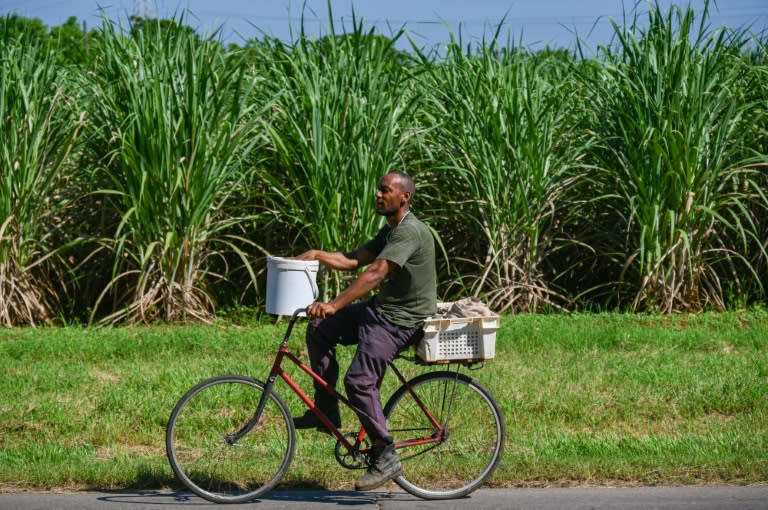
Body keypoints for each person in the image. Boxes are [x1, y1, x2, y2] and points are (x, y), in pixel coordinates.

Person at [292, 171, 437, 491]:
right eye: (378, 190)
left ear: (404, 198)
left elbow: (375, 272)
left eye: (385, 191)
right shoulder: (390, 231)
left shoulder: (409, 232)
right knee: (318, 328)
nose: (378, 195)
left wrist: (335, 303)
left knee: (359, 381)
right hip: (380, 311)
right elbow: (354, 259)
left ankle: (385, 453)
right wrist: (318, 255)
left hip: (401, 321)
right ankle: (324, 411)